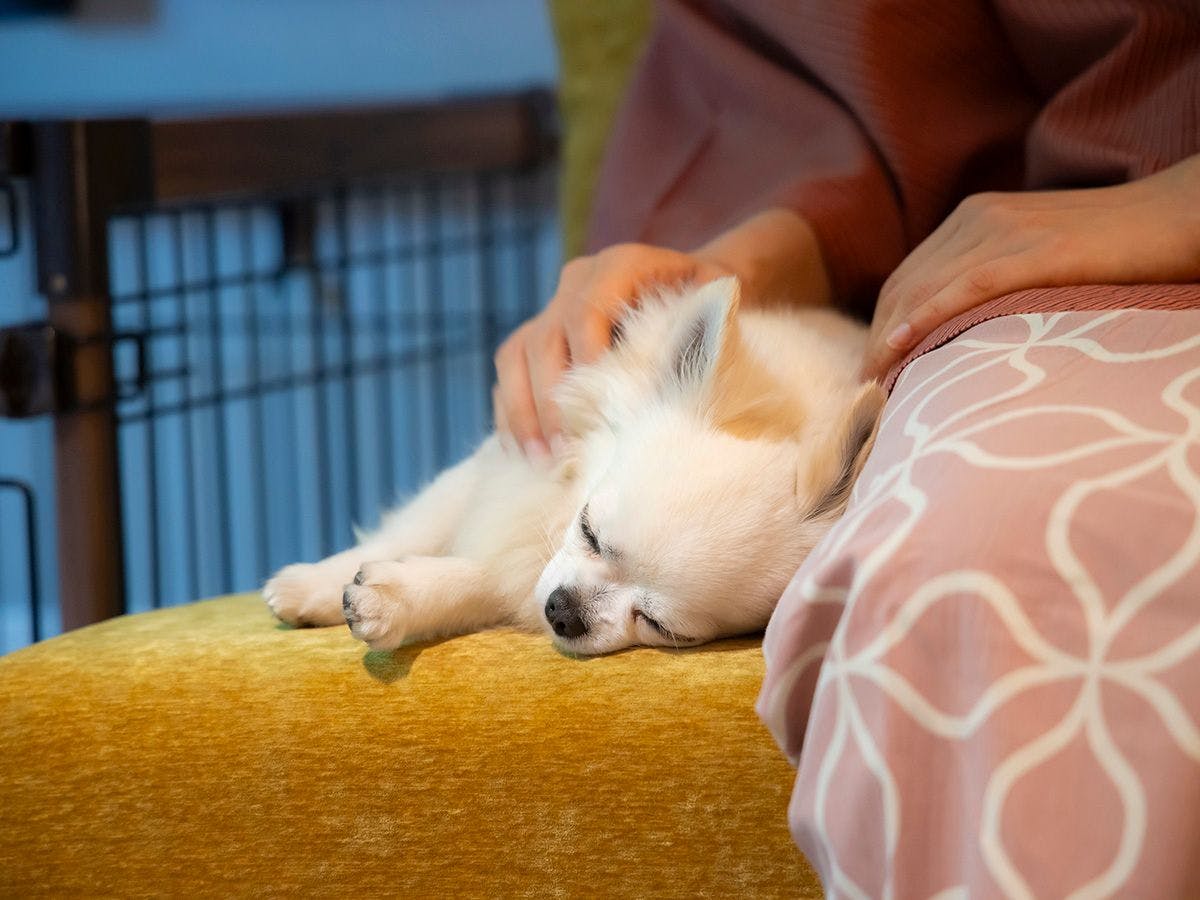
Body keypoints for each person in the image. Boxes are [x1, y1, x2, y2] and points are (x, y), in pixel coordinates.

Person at [497, 1, 1200, 894]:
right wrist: (770, 248)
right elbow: (843, 49)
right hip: (1003, 279)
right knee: (970, 568)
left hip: (1107, 257)